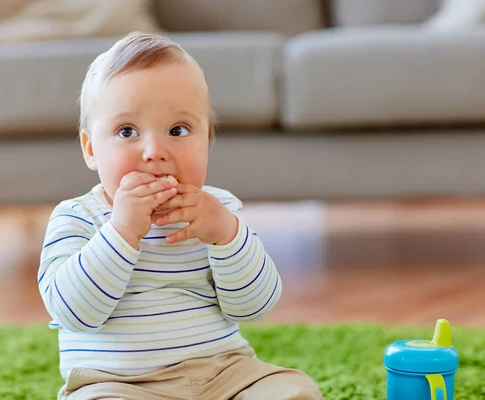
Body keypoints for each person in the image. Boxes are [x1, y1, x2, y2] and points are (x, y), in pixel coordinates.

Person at [38, 31, 324, 400]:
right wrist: (121, 231)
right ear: (91, 149)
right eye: (127, 131)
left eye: (178, 130)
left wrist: (227, 235)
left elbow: (255, 306)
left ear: (206, 142)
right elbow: (74, 312)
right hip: (119, 384)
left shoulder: (219, 212)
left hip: (225, 374)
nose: (154, 151)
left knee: (293, 389)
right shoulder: (77, 218)